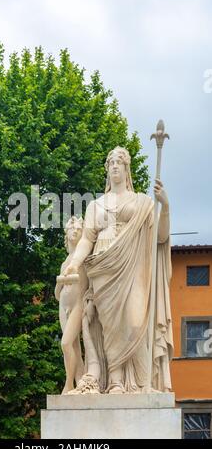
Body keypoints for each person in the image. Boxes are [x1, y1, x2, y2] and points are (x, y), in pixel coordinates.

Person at [63, 146, 173, 394]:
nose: (114, 166)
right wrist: (74, 262)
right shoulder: (95, 205)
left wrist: (164, 206)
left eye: (119, 162)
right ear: (107, 169)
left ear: (126, 169)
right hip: (102, 267)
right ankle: (114, 379)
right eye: (111, 162)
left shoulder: (143, 203)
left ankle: (137, 382)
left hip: (133, 267)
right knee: (107, 327)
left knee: (134, 322)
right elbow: (86, 240)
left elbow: (161, 237)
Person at [55, 216, 88, 394]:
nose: (74, 231)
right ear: (66, 234)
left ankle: (68, 385)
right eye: (71, 229)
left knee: (65, 344)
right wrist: (60, 283)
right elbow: (56, 294)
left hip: (78, 304)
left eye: (78, 229)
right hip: (64, 307)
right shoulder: (65, 261)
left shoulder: (82, 257)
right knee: (73, 346)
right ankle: (79, 382)